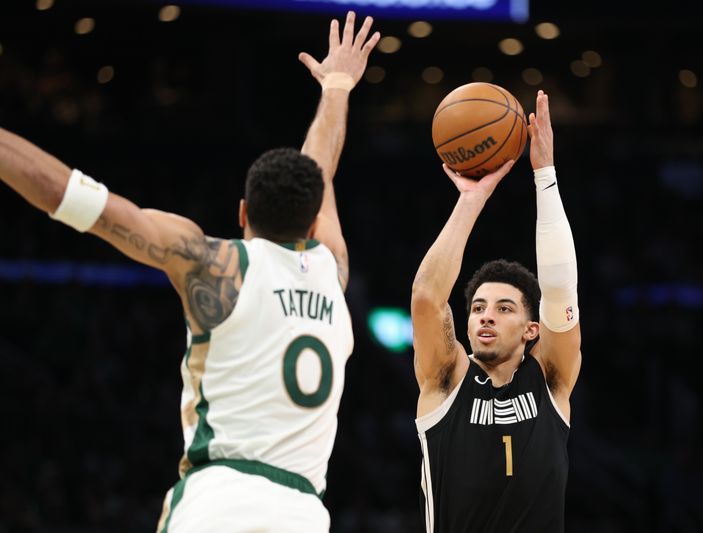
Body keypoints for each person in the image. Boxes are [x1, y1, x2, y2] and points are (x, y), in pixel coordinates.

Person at [0, 11, 379, 533]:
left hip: (217, 500)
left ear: (242, 213)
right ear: (315, 220)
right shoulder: (331, 270)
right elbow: (320, 167)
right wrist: (337, 86)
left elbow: (74, 197)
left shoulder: (213, 263)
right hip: (303, 512)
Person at [410, 90, 582, 533]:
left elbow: (561, 290)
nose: (485, 316)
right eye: (479, 308)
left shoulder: (551, 379)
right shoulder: (446, 379)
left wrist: (545, 175)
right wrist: (471, 200)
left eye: (504, 309)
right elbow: (428, 298)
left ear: (531, 329)